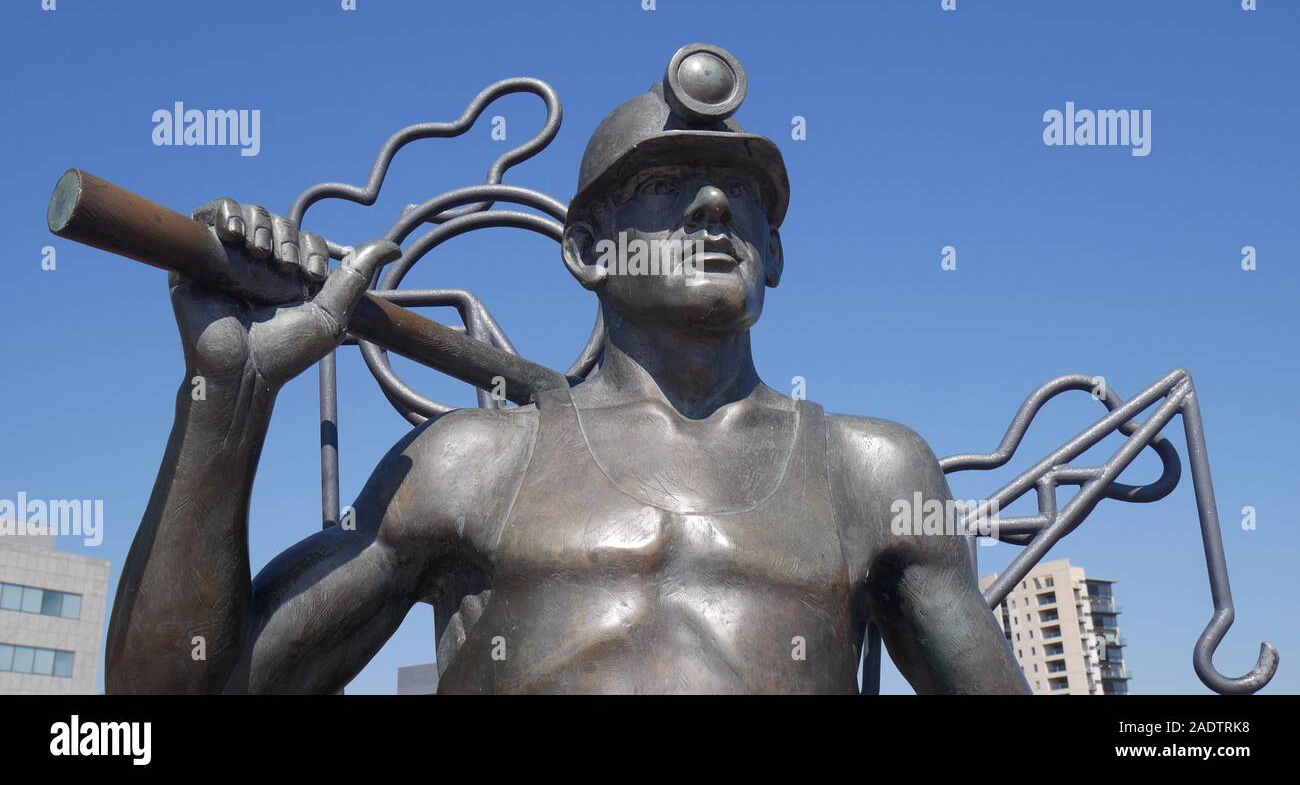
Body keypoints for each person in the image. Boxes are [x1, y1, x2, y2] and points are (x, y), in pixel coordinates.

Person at [106, 44, 1028, 694]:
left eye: (745, 195)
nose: (716, 207)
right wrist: (226, 402)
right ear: (588, 250)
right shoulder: (469, 462)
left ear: (774, 254)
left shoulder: (872, 473)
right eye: (665, 188)